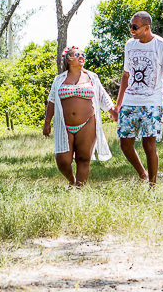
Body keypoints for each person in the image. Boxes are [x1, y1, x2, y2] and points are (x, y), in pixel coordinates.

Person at [109, 11, 163, 186]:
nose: (131, 30)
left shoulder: (161, 45)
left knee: (149, 145)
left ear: (147, 28)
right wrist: (118, 105)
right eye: (130, 26)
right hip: (130, 101)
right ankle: (142, 174)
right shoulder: (129, 45)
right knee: (125, 144)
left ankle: (152, 185)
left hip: (152, 102)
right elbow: (126, 75)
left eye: (135, 27)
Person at [43, 45, 115, 186]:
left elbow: (102, 96)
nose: (81, 56)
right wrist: (47, 123)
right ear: (68, 60)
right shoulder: (59, 80)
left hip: (88, 122)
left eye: (82, 55)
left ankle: (79, 189)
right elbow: (51, 101)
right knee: (63, 160)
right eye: (77, 55)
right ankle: (72, 180)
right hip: (64, 125)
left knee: (83, 158)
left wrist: (113, 112)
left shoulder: (92, 77)